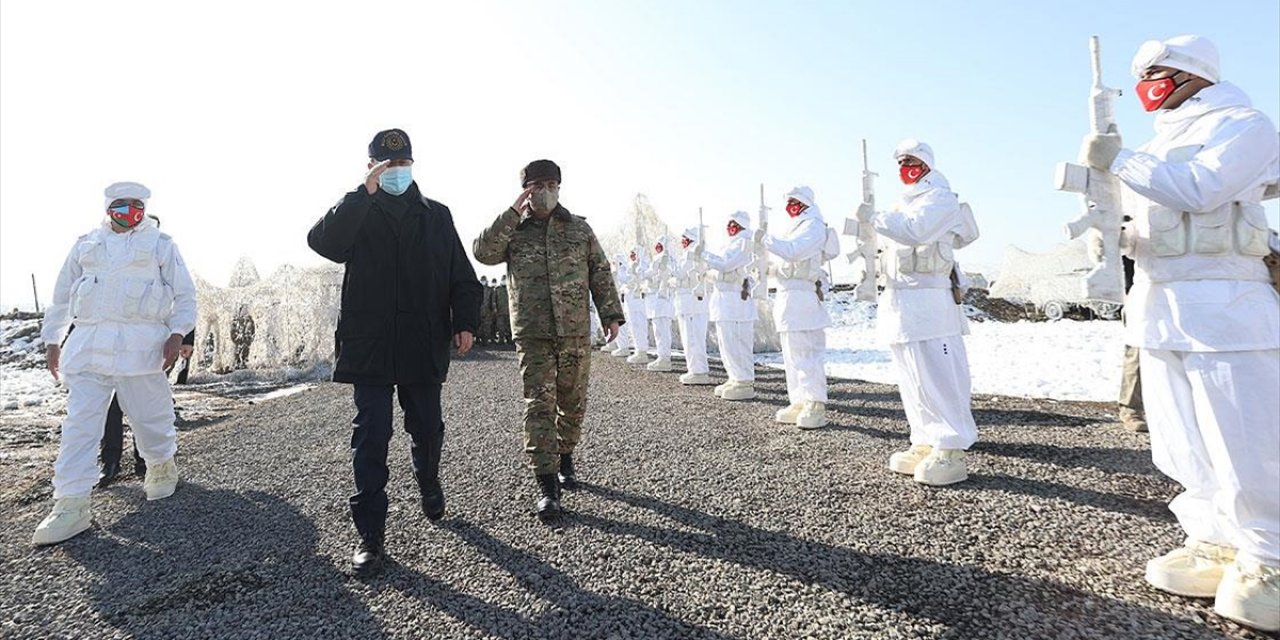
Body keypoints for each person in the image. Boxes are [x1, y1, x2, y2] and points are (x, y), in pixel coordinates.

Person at [1080, 35, 1280, 631]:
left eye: (1159, 72)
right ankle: (1215, 540)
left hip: (1226, 305)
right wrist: (1111, 236)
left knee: (1244, 441)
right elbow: (1160, 223)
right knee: (1180, 441)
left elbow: (1200, 189)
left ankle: (1269, 557)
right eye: (1142, 73)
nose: (1149, 82)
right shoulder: (1155, 144)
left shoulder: (1243, 124)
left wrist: (1117, 160)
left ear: (1194, 74)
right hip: (1160, 304)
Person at [307, 129, 482, 577]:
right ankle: (370, 534)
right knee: (370, 437)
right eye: (387, 167)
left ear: (412, 165)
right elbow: (322, 243)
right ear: (372, 169)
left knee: (426, 428)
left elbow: (462, 275)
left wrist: (465, 322)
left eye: (402, 165)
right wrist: (358, 195)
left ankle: (428, 479)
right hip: (371, 345)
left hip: (422, 342)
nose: (396, 173)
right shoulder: (358, 213)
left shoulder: (436, 216)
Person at [35, 181, 196, 545]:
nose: (130, 214)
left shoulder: (161, 245)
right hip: (90, 347)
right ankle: (71, 503)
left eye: (136, 207)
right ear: (109, 210)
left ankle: (159, 465)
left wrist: (177, 334)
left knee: (150, 417)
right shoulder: (85, 245)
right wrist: (52, 340)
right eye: (122, 207)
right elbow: (61, 298)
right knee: (80, 424)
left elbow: (185, 295)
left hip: (142, 347)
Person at [473, 159, 624, 518]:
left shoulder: (579, 230)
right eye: (535, 185)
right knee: (538, 405)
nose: (543, 192)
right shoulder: (513, 231)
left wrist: (611, 315)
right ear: (525, 189)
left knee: (572, 402)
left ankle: (566, 456)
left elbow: (599, 272)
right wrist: (512, 212)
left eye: (549, 184)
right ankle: (547, 484)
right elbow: (482, 251)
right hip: (534, 332)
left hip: (573, 331)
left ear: (560, 187)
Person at [852, 140, 980, 485]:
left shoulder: (940, 198)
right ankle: (924, 439)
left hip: (931, 303)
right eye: (900, 162)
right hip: (901, 302)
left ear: (926, 165)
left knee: (939, 375)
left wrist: (875, 217)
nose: (904, 167)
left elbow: (915, 230)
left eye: (911, 161)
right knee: (913, 377)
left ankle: (951, 447)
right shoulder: (902, 203)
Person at [760, 186, 834, 428]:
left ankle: (815, 403)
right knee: (792, 356)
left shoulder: (813, 225)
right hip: (787, 296)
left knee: (807, 354)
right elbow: (783, 261)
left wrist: (765, 239)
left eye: (794, 200)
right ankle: (799, 400)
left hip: (803, 296)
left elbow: (794, 252)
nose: (790, 205)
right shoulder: (793, 228)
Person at [703, 211, 758, 400]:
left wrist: (703, 253)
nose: (729, 227)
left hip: (736, 301)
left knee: (737, 342)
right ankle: (734, 377)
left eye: (733, 223)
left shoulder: (744, 243)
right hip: (724, 301)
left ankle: (744, 381)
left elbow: (725, 265)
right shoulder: (731, 244)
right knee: (726, 343)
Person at [673, 227, 713, 385]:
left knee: (693, 338)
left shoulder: (692, 255)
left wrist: (672, 271)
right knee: (690, 338)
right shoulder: (689, 254)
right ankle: (695, 369)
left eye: (685, 239)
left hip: (692, 303)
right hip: (687, 302)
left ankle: (699, 371)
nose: (683, 242)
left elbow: (680, 274)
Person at [1117, 256, 1147, 432]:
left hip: (1184, 295)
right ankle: (1131, 409)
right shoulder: (1129, 227)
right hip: (1140, 294)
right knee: (1137, 352)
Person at [643, 236, 677, 372]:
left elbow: (649, 273)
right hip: (663, 300)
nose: (657, 248)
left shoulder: (662, 259)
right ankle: (663, 356)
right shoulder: (670, 259)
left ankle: (663, 358)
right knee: (662, 330)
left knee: (661, 331)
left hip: (661, 300)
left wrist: (642, 272)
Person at [622, 247, 652, 364]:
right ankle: (638, 349)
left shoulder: (642, 266)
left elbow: (631, 279)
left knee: (639, 326)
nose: (632, 256)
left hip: (638, 301)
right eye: (631, 254)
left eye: (634, 254)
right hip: (631, 301)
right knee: (633, 326)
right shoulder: (631, 266)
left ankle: (642, 351)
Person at [605, 254, 635, 357]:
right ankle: (618, 344)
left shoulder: (620, 271)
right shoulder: (618, 271)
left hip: (618, 300)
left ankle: (623, 347)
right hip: (616, 300)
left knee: (620, 324)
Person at [230, 304, 255, 370]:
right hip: (241, 317)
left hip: (245, 316)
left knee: (245, 340)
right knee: (240, 341)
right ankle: (239, 361)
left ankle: (241, 361)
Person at [495, 275, 512, 344]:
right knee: (500, 326)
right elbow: (494, 300)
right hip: (500, 311)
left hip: (509, 311)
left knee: (509, 326)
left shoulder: (510, 288)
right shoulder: (498, 289)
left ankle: (509, 339)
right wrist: (495, 308)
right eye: (503, 279)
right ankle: (501, 339)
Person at [479, 276, 493, 345]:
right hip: (478, 310)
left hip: (487, 311)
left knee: (486, 326)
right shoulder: (477, 289)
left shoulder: (490, 290)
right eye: (482, 280)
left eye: (484, 280)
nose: (483, 281)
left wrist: (493, 309)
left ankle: (485, 341)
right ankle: (478, 340)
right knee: (478, 326)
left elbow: (492, 300)